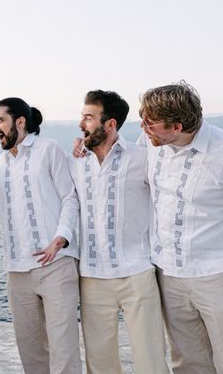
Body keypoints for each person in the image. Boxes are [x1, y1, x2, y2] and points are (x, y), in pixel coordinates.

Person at [140, 81, 223, 373]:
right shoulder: (150, 141)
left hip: (217, 276)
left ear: (177, 127)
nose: (143, 126)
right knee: (187, 362)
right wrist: (87, 145)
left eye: (150, 123)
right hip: (167, 272)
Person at [70, 90, 168, 373]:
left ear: (110, 124)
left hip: (137, 271)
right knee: (100, 363)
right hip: (92, 275)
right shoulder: (75, 160)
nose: (82, 123)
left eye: (89, 118)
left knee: (151, 359)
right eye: (82, 116)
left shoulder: (143, 157)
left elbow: (173, 190)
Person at [0, 97, 81, 374]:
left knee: (63, 346)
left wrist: (60, 238)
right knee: (29, 347)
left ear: (20, 121)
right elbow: (1, 207)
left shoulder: (48, 149)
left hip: (56, 264)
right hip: (17, 269)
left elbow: (69, 198)